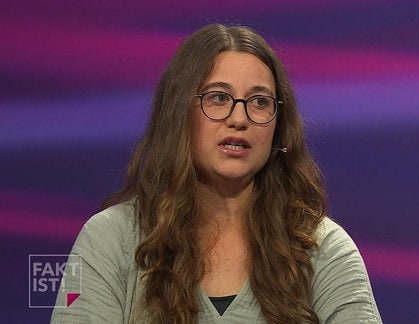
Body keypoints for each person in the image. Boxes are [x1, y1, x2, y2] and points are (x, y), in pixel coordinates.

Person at [51, 23, 382, 323]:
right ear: (179, 113)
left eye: (260, 102)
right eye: (219, 97)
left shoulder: (323, 249)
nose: (240, 118)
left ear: (279, 127)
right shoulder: (111, 240)